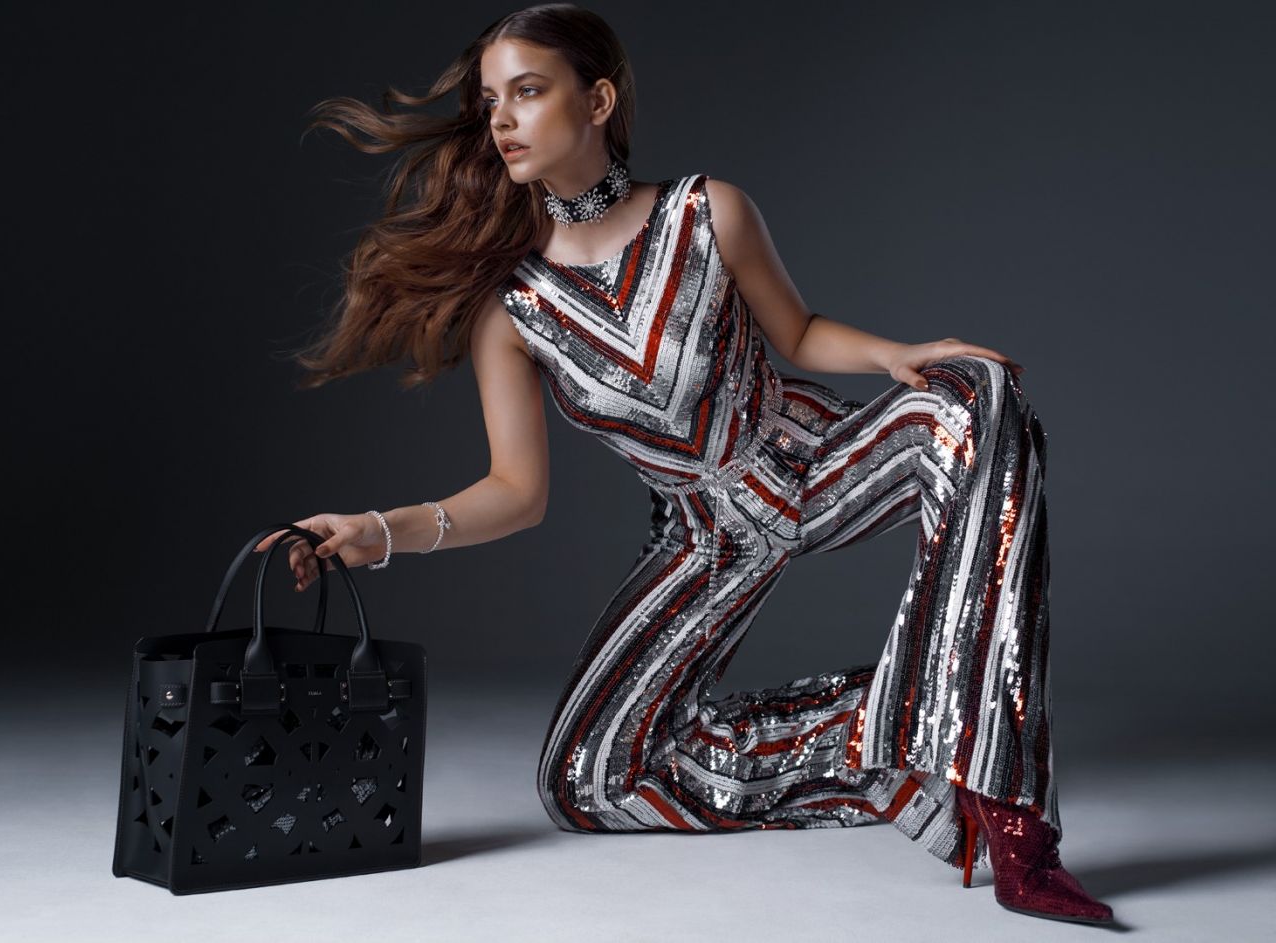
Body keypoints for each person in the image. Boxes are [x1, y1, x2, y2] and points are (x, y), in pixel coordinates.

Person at [253, 3, 1114, 926]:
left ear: (598, 101)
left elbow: (798, 333)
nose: (501, 120)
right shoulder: (512, 308)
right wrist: (375, 532)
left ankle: (1011, 813)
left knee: (978, 393)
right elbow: (515, 491)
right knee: (585, 777)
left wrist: (898, 354)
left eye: (527, 92)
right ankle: (893, 739)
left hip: (816, 462)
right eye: (491, 102)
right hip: (704, 537)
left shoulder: (709, 212)